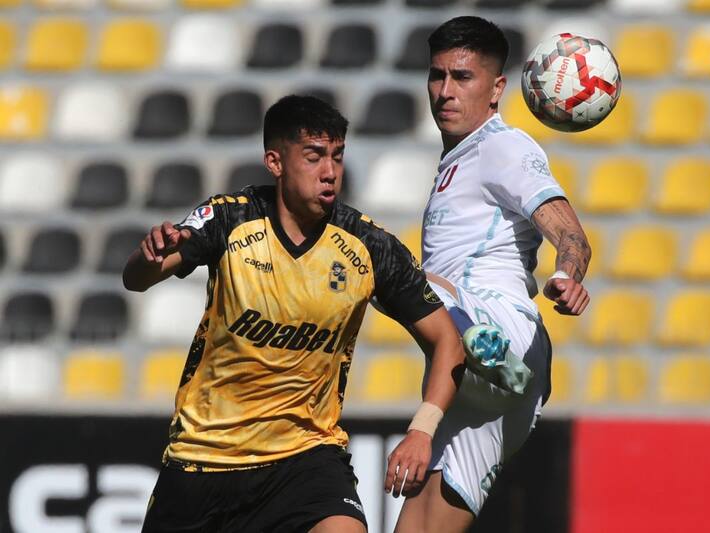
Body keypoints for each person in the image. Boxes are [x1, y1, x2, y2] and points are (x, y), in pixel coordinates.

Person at [123, 95, 466, 533]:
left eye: (337, 157)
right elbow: (138, 278)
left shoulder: (369, 246)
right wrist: (149, 256)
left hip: (305, 459)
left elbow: (447, 340)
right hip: (203, 461)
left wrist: (422, 430)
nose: (330, 172)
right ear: (275, 161)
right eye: (314, 157)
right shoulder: (232, 219)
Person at [392, 17, 593, 532]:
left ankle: (475, 341)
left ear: (497, 87)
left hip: (501, 324)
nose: (444, 91)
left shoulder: (504, 147)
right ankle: (468, 350)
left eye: (462, 78)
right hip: (480, 387)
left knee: (396, 270)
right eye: (436, 76)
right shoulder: (454, 160)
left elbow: (571, 236)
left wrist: (567, 276)